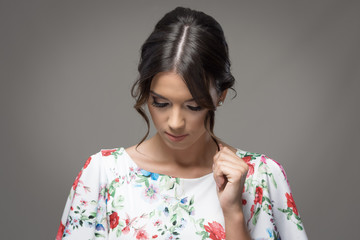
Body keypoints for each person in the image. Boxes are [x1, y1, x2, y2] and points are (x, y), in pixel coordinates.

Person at [56, 7, 307, 240]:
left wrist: (233, 212)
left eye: (193, 106)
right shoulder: (103, 175)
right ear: (146, 92)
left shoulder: (261, 178)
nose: (175, 123)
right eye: (160, 103)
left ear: (221, 95)